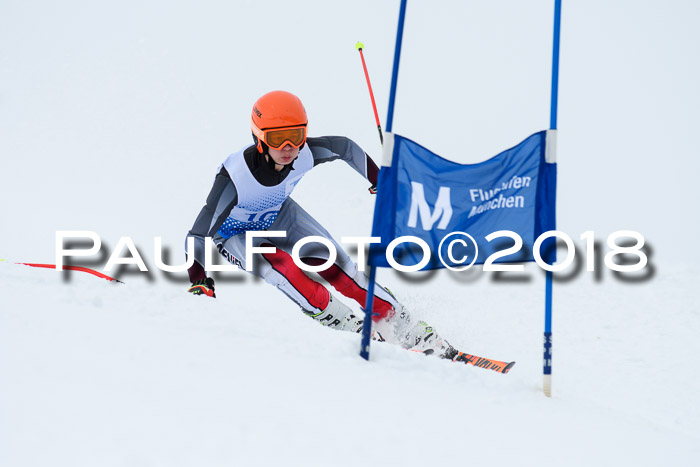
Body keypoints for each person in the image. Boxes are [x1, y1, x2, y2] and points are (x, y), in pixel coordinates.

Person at [185, 90, 453, 356]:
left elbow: (346, 148)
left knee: (335, 265)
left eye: (297, 135)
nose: (288, 147)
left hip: (279, 214)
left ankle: (403, 325)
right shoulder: (235, 177)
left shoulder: (305, 152)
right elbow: (198, 234)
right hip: (234, 233)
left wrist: (376, 178)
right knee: (285, 269)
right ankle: (348, 324)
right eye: (278, 138)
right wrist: (200, 280)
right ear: (259, 138)